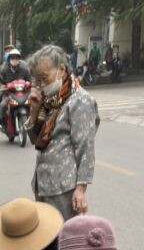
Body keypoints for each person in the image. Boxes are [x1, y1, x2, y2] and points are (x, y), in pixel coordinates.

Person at [25, 44, 99, 220]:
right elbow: (37, 142)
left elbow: (85, 146)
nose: (42, 85)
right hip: (43, 183)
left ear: (62, 70)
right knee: (45, 241)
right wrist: (34, 113)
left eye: (45, 78)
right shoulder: (51, 101)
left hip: (64, 188)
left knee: (62, 241)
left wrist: (81, 189)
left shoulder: (80, 101)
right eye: (38, 80)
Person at [0, 48, 31, 126]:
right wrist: (1, 85)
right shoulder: (4, 70)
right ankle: (2, 121)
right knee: (3, 105)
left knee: (33, 103)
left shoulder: (24, 70)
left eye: (16, 58)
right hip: (8, 94)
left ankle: (33, 121)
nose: (14, 60)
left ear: (19, 59)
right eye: (12, 58)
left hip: (23, 93)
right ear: (9, 59)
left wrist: (32, 84)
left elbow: (30, 80)